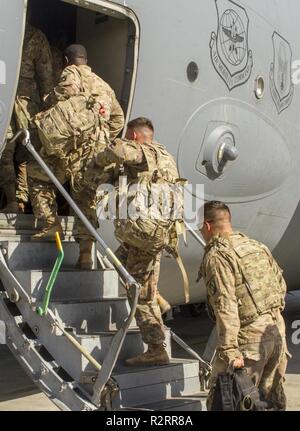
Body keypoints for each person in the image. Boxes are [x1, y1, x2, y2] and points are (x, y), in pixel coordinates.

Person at [97, 117, 185, 366]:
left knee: (139, 292)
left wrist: (98, 155)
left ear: (134, 136)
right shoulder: (164, 154)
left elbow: (118, 150)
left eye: (128, 135)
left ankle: (156, 347)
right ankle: (157, 297)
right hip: (153, 232)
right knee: (117, 261)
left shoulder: (142, 149)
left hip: (143, 235)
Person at [27, 44, 124, 269]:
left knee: (37, 175)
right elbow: (118, 119)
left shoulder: (70, 74)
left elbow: (58, 100)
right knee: (85, 199)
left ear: (66, 60)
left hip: (70, 149)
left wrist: (47, 100)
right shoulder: (104, 85)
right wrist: (100, 135)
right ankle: (85, 256)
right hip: (95, 153)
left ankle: (50, 224)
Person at [198, 201, 289, 410]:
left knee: (230, 398)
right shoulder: (256, 246)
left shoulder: (218, 255)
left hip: (249, 340)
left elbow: (225, 304)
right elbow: (280, 285)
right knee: (270, 400)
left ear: (207, 226)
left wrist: (230, 350)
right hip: (276, 332)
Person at [0, 21, 54, 213]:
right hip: (27, 103)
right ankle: (21, 201)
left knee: (5, 152)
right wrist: (49, 109)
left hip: (4, 100)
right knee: (26, 152)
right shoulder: (35, 36)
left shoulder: (5, 31)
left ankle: (12, 200)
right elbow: (46, 77)